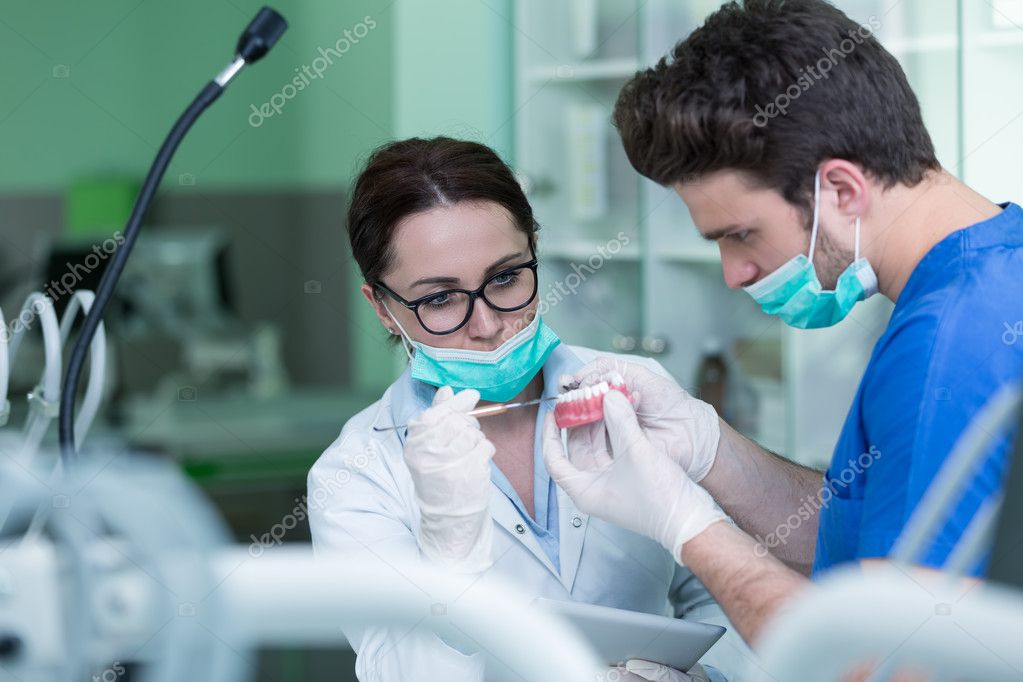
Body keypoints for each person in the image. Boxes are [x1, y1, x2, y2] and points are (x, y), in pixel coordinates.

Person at [543, 0, 1023, 653]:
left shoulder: (945, 345)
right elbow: (873, 533)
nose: (733, 274)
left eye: (741, 234)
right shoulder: (996, 262)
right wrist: (706, 447)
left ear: (842, 191)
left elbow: (886, 662)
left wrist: (688, 529)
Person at [307, 137, 750, 681]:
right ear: (381, 306)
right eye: (440, 298)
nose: (488, 324)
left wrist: (706, 677)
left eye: (505, 278)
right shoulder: (355, 474)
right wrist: (450, 557)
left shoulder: (635, 392)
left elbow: (724, 593)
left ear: (533, 250)